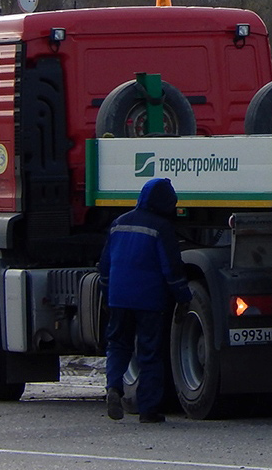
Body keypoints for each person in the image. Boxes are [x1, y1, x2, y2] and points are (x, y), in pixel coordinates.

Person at [98, 177, 192, 423]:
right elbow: (171, 269)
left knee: (118, 345)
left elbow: (105, 265)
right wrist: (183, 297)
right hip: (149, 301)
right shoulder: (161, 228)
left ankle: (114, 388)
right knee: (149, 352)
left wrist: (107, 294)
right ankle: (148, 410)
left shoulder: (119, 223)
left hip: (118, 298)